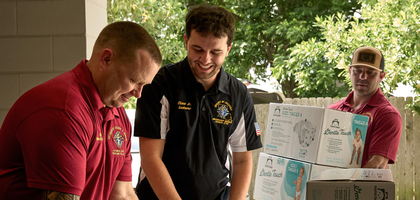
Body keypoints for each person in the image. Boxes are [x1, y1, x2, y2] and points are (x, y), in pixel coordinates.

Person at [0, 21, 161, 199]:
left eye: (143, 85)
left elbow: (122, 194)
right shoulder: (63, 110)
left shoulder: (117, 114)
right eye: (133, 80)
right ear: (106, 59)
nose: (138, 94)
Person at [133, 4, 262, 200]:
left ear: (228, 49)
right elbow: (151, 158)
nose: (205, 59)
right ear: (186, 41)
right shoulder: (159, 84)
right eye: (198, 49)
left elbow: (243, 160)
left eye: (216, 52)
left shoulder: (239, 94)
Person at [328, 46, 402, 169]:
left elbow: (377, 164)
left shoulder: (387, 115)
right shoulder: (332, 111)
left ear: (381, 76)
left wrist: (344, 185)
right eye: (357, 70)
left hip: (360, 188)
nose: (363, 76)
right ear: (350, 71)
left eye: (371, 72)